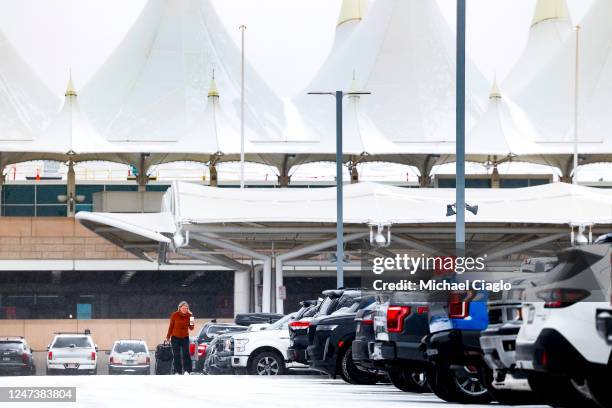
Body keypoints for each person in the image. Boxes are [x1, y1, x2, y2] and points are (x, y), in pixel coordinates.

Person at [166, 301, 195, 374]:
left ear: (187, 309)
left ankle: (187, 371)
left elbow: (191, 328)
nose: (184, 309)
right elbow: (171, 327)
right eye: (183, 308)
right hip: (175, 338)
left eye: (186, 308)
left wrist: (192, 318)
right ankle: (177, 371)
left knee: (186, 354)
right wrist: (168, 337)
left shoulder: (189, 316)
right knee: (176, 355)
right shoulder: (174, 315)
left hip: (185, 337)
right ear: (179, 308)